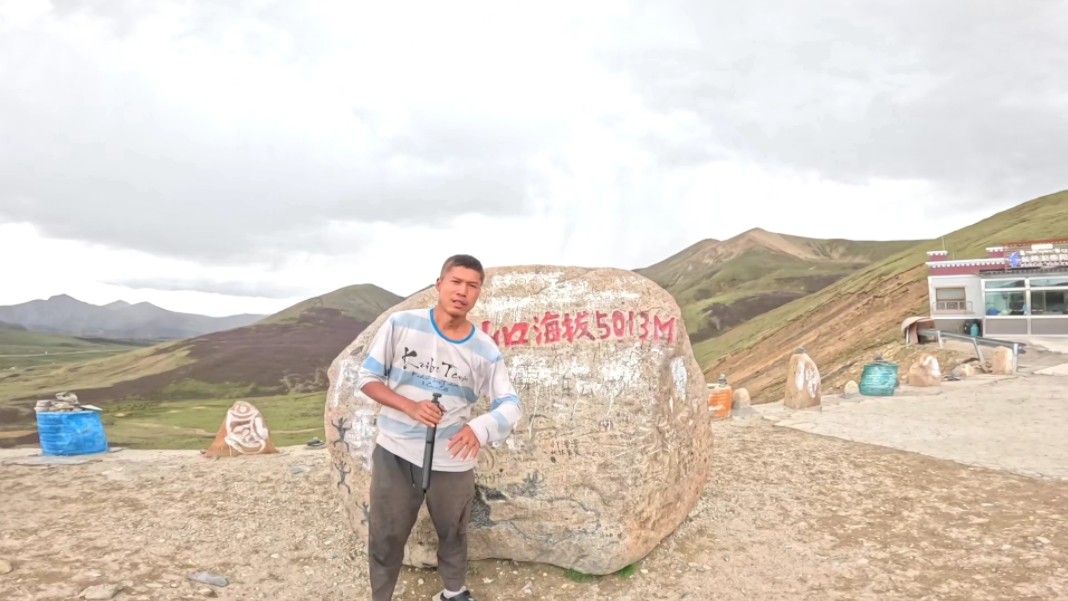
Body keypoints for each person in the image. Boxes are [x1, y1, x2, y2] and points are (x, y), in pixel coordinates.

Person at [356, 254, 522, 601]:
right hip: (395, 452)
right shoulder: (401, 325)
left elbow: (510, 403)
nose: (462, 291)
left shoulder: (484, 350)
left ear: (478, 294)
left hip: (452, 460)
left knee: (453, 532)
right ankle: (380, 597)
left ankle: (453, 592)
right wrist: (409, 406)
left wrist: (480, 429)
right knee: (386, 533)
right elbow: (368, 379)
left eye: (472, 286)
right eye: (456, 282)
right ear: (439, 285)